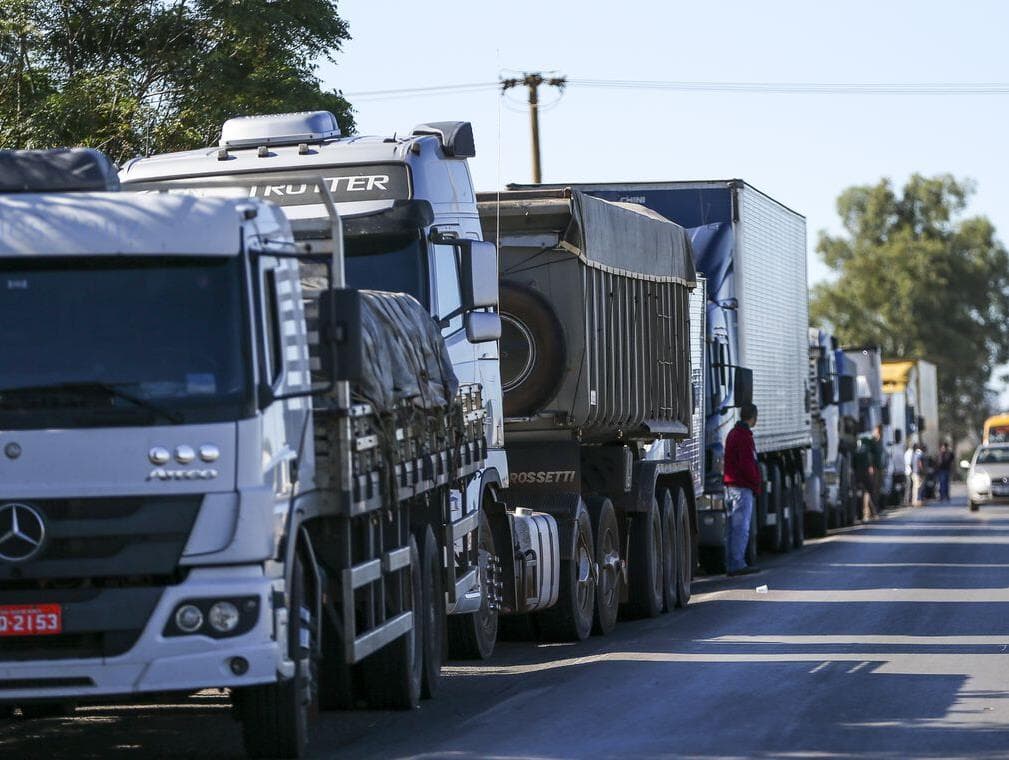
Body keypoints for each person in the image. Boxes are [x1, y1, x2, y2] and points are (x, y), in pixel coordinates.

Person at [724, 403, 761, 576]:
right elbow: (747, 464)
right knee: (741, 527)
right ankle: (737, 563)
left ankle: (732, 563)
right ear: (752, 417)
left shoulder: (732, 434)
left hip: (731, 486)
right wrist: (756, 481)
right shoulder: (744, 436)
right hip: (742, 487)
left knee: (733, 528)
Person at [854, 433, 878, 521]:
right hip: (866, 475)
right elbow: (870, 463)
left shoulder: (857, 450)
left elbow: (853, 464)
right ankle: (872, 513)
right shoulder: (867, 451)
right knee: (870, 492)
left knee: (860, 494)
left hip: (858, 475)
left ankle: (861, 514)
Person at [911, 442, 925, 507]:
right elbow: (920, 463)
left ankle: (914, 501)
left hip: (914, 472)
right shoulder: (920, 453)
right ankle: (918, 501)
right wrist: (923, 470)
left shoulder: (914, 454)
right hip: (918, 473)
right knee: (918, 487)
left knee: (915, 488)